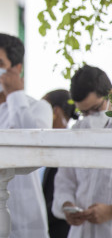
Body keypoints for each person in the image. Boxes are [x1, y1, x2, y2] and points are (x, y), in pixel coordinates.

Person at [0, 33, 52, 237]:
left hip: (25, 217)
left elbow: (34, 148)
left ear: (17, 68)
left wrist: (15, 95)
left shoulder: (38, 108)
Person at [52, 65, 112, 237]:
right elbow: (64, 181)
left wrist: (109, 211)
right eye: (84, 112)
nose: (91, 117)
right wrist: (67, 206)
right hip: (81, 231)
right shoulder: (77, 132)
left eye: (96, 109)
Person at [41, 89, 75, 238]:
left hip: (60, 229)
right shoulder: (52, 145)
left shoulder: (67, 147)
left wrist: (37, 215)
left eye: (42, 110)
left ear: (55, 111)